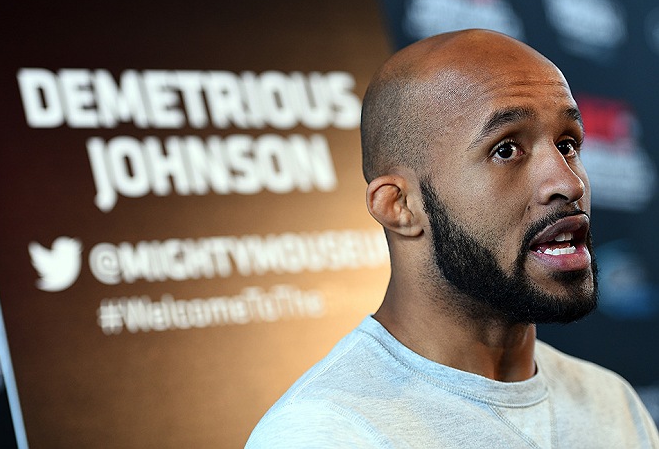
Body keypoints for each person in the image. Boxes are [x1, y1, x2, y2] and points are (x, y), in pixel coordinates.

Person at [245, 29, 659, 448]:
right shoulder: (326, 432)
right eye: (506, 150)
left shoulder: (613, 401)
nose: (568, 184)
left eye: (567, 144)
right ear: (399, 206)